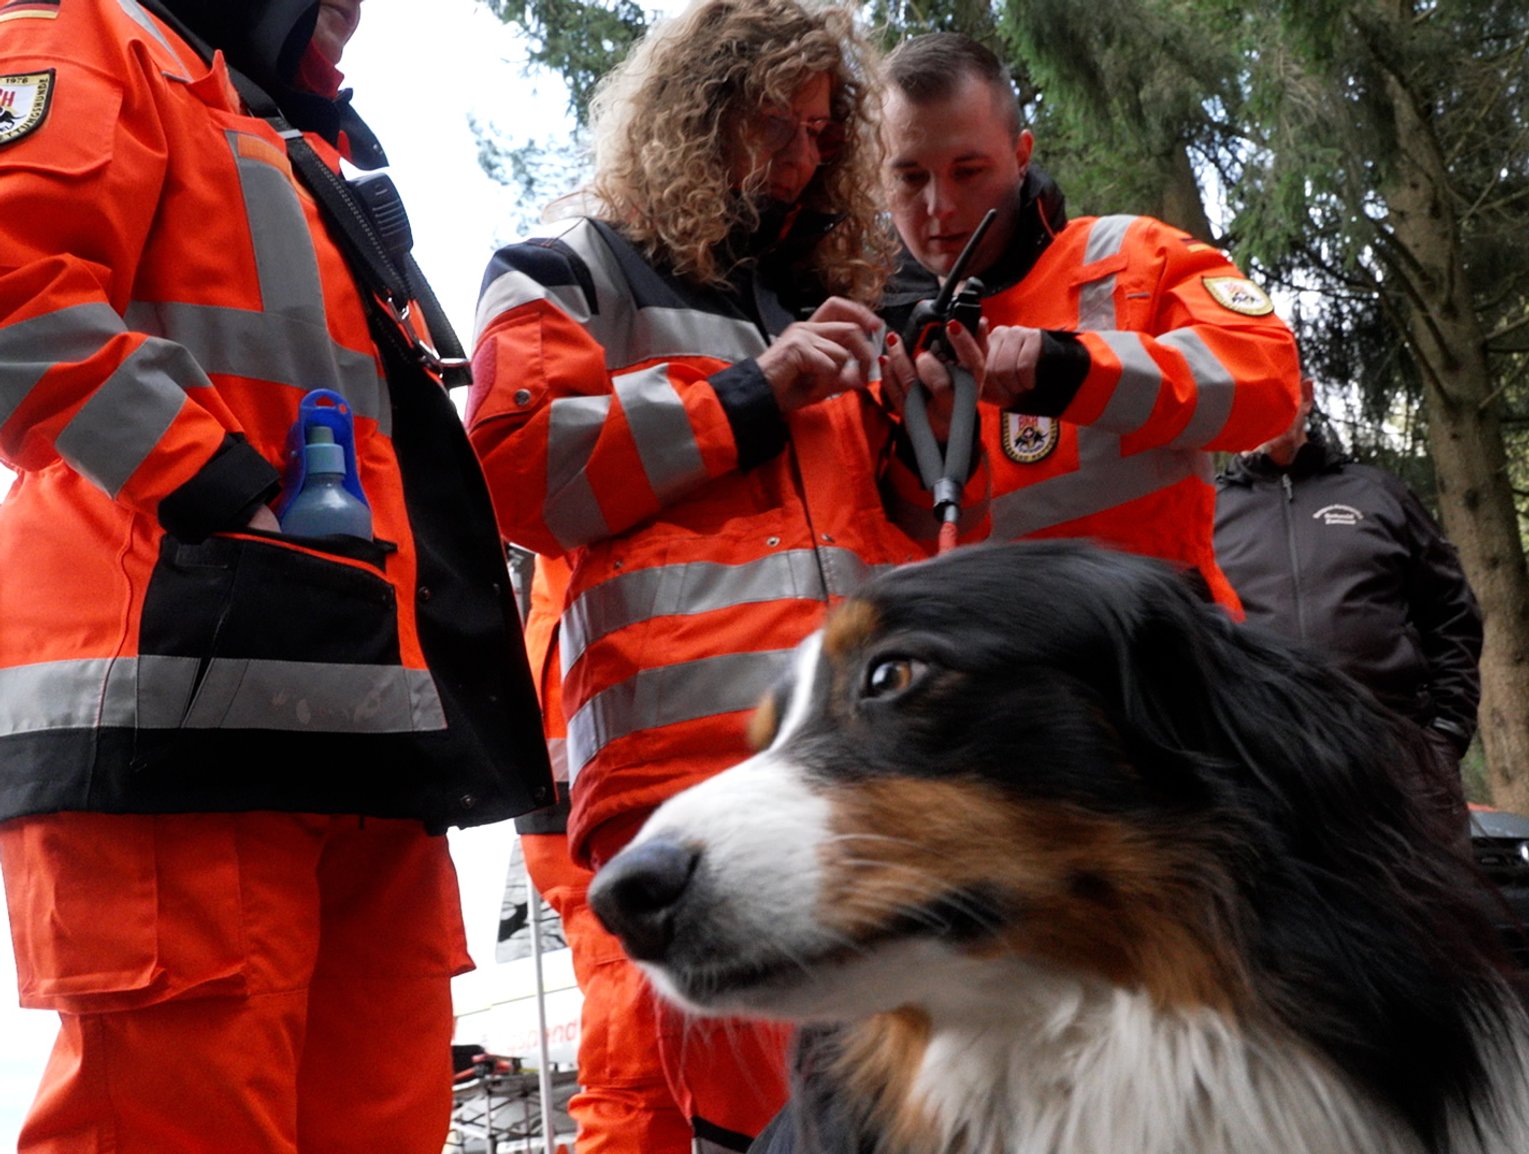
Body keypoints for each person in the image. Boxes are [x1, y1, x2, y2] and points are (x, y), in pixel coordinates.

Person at [0, 1, 554, 1152]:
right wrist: (220, 486)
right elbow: (13, 296)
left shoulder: (284, 136)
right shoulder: (85, 33)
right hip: (175, 722)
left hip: (362, 726)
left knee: (382, 1121)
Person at [465, 2, 929, 1149]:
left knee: (901, 1097)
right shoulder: (562, 270)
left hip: (856, 757)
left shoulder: (834, 296)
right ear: (698, 114)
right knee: (745, 1114)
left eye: (824, 131)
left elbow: (886, 525)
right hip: (683, 772)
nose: (804, 158)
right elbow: (518, 471)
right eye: (777, 126)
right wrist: (748, 392)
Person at [874, 33, 1300, 606]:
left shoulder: (1130, 255)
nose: (939, 207)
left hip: (1156, 664)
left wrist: (1073, 370)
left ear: (1021, 156)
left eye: (968, 171)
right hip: (988, 681)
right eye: (909, 178)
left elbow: (1272, 384)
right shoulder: (865, 335)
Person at [1213, 382, 1483, 847]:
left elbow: (1452, 612)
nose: (1266, 405)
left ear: (1305, 395)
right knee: (1291, 919)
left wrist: (1445, 735)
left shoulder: (1378, 492)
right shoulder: (1206, 510)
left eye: (1276, 388)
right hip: (1261, 771)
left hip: (1398, 762)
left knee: (1426, 916)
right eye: (1249, 393)